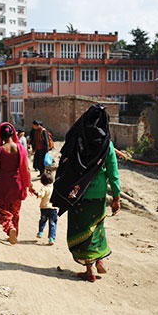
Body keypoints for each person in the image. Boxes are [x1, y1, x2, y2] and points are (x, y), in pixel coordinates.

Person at [51, 104, 120, 283]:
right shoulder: (107, 145)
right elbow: (113, 173)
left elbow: (66, 163)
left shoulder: (77, 139)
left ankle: (89, 268)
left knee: (82, 229)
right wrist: (117, 197)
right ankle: (99, 259)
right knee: (96, 227)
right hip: (98, 195)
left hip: (78, 193)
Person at [0, 122, 33, 245]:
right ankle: (14, 234)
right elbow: (26, 168)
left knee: (0, 209)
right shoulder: (20, 148)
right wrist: (29, 184)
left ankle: (10, 228)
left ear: (0, 136)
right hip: (18, 183)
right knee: (15, 211)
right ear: (13, 133)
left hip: (4, 184)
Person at [36, 172, 58, 245]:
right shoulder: (54, 188)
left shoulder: (44, 188)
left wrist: (35, 192)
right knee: (52, 223)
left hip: (44, 207)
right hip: (53, 208)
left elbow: (41, 195)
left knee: (42, 220)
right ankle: (51, 238)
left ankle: (40, 232)